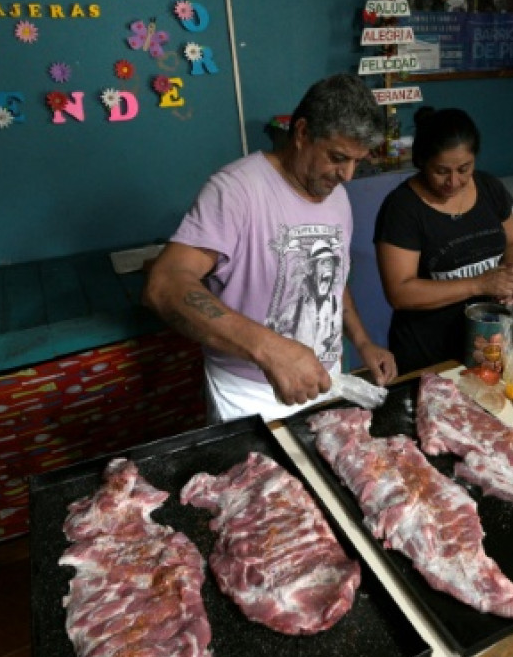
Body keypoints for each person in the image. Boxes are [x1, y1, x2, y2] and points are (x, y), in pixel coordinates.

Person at [144, 74, 398, 422]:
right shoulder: (235, 190)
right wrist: (269, 348)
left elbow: (333, 282)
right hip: (250, 397)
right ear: (303, 133)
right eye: (338, 157)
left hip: (324, 384)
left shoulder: (335, 194)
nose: (348, 175)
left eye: (358, 161)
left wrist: (362, 341)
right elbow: (165, 285)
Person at [374, 107, 513, 373]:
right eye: (441, 171)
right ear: (422, 161)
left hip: (485, 346)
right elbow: (400, 292)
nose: (454, 181)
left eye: (464, 169)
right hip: (427, 356)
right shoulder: (402, 208)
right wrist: (480, 284)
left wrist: (510, 272)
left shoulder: (490, 188)